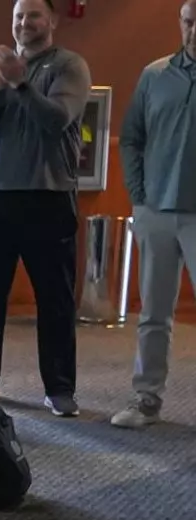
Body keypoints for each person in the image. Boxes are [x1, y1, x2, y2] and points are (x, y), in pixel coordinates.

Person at [0, 0, 89, 416]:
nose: (24, 22)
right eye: (18, 15)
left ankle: (59, 388)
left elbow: (57, 119)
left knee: (54, 298)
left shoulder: (70, 65)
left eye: (33, 14)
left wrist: (20, 85)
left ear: (51, 20)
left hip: (48, 196)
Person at [113, 0, 196, 429]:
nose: (194, 30)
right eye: (188, 21)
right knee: (153, 313)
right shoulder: (155, 74)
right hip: (157, 210)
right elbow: (131, 138)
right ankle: (146, 399)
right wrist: (139, 195)